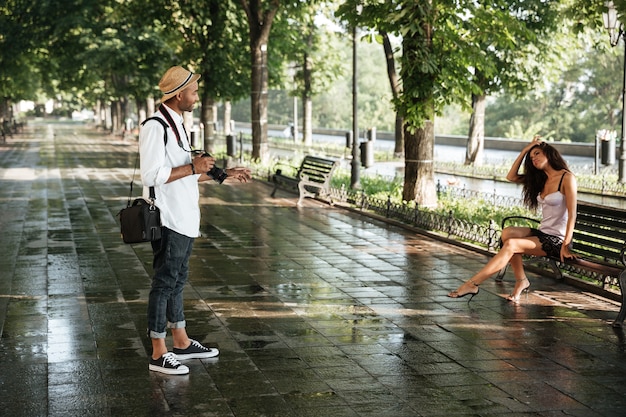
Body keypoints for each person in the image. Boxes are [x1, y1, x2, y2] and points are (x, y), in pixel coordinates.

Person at [140, 65, 252, 375]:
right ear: (178, 95)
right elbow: (152, 176)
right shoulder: (156, 126)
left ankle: (182, 342)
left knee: (177, 281)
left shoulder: (176, 123)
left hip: (185, 217)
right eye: (193, 92)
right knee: (164, 283)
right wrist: (193, 167)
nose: (197, 97)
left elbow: (184, 174)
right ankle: (158, 351)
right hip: (168, 218)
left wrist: (221, 174)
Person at [447, 136, 577, 303]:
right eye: (531, 157)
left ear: (549, 154)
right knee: (508, 233)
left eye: (537, 153)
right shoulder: (540, 179)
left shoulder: (567, 178)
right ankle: (521, 280)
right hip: (544, 233)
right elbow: (511, 176)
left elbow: (572, 214)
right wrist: (525, 150)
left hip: (558, 240)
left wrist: (565, 246)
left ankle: (473, 283)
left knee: (511, 244)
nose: (534, 159)